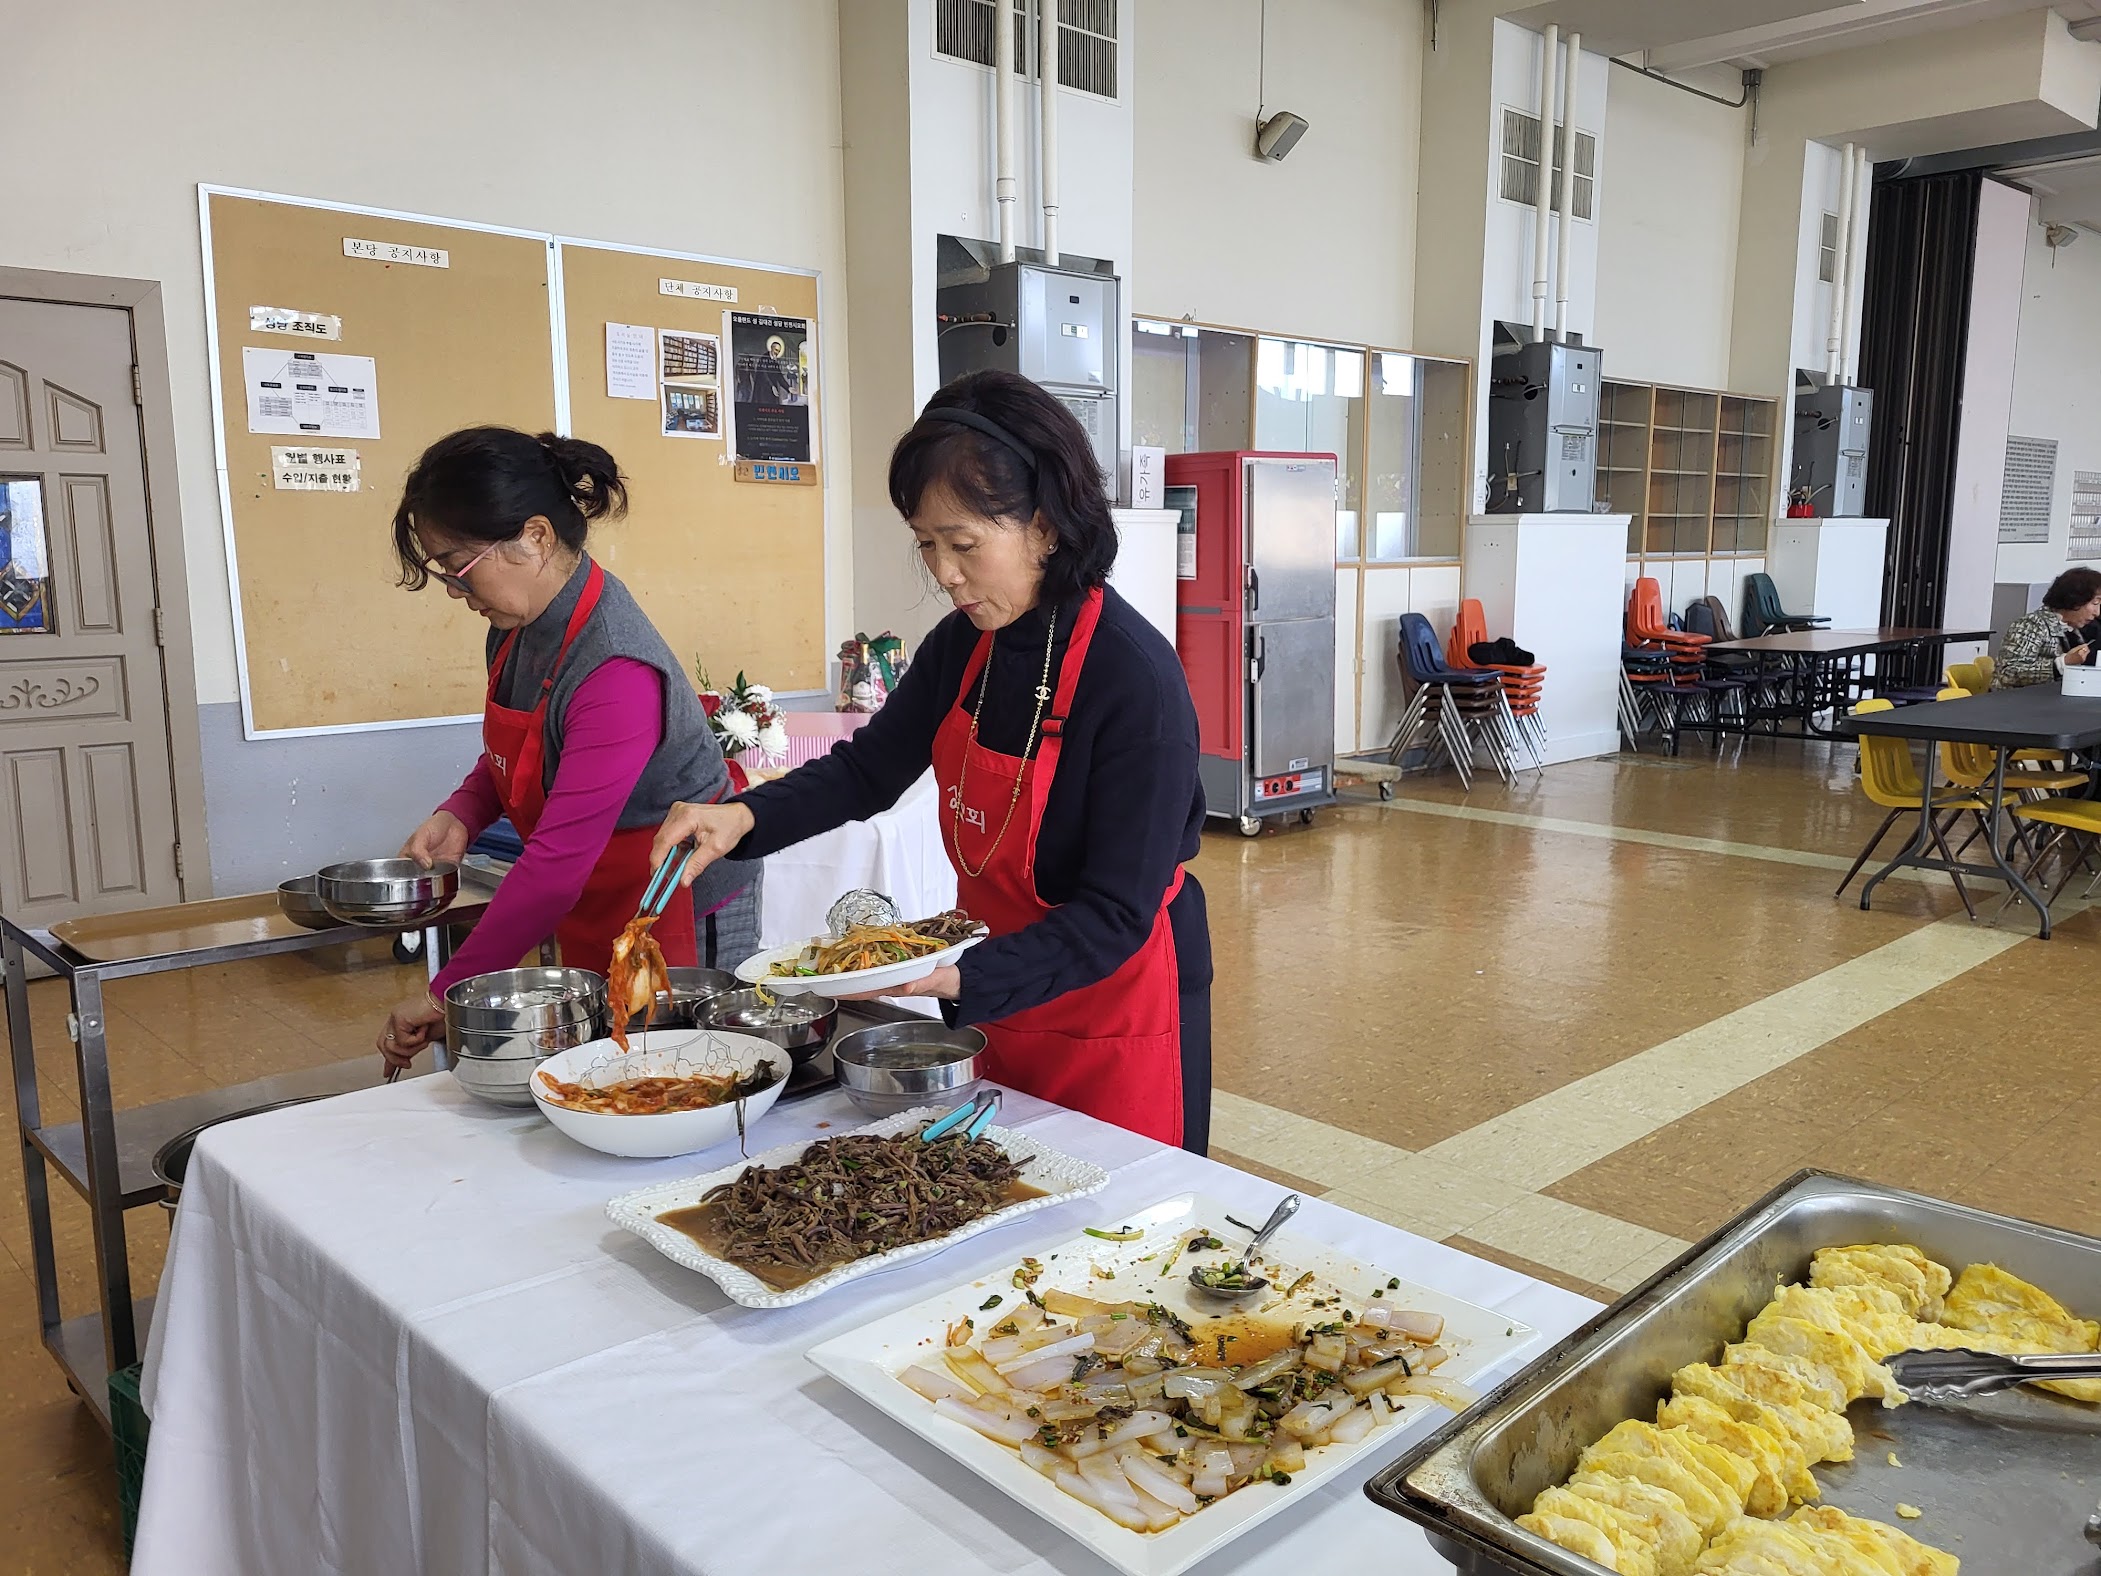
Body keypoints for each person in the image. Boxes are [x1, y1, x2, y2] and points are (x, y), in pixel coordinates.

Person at [651, 370, 1213, 1151]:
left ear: (1046, 527)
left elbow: (1115, 913)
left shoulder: (1134, 682)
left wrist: (958, 977)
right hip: (997, 982)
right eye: (926, 543)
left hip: (1114, 996)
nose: (943, 573)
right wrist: (743, 815)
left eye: (964, 545)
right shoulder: (965, 645)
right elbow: (867, 769)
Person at [375, 427, 759, 1070]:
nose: (451, 589)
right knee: (607, 1065)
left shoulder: (615, 668)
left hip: (674, 892)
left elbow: (553, 867)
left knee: (681, 1072)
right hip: (592, 884)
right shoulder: (517, 626)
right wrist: (463, 811)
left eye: (458, 566)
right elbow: (532, 750)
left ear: (535, 538)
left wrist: (447, 998)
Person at [1992, 567, 2101, 689]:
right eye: (2095, 603)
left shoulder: (2075, 629)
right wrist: (2061, 664)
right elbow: (2008, 673)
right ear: (2075, 600)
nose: (2097, 612)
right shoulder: (2031, 625)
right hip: (2016, 703)